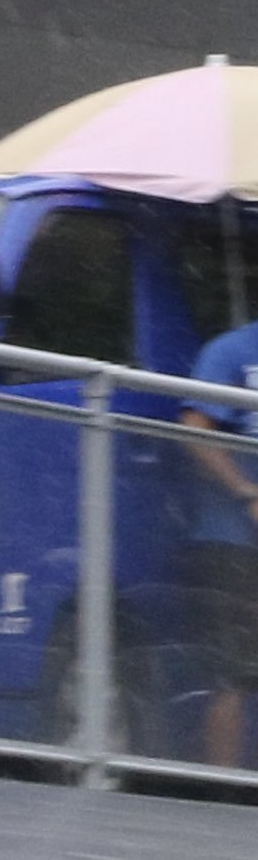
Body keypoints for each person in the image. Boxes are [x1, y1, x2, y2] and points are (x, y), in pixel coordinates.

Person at [177, 320, 258, 768]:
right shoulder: (231, 350)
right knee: (233, 674)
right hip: (232, 545)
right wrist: (246, 492)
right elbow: (194, 427)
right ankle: (223, 793)